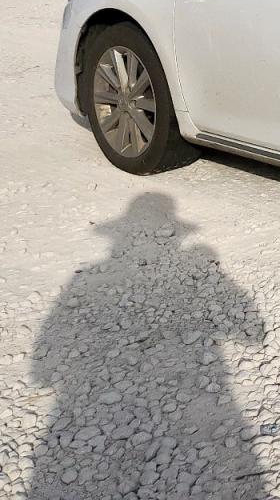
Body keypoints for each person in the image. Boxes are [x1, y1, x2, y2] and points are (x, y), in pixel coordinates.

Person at [29, 192, 265, 499]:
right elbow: (254, 334)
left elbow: (41, 372)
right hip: (206, 397)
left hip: (86, 408)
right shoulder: (200, 270)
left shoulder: (86, 277)